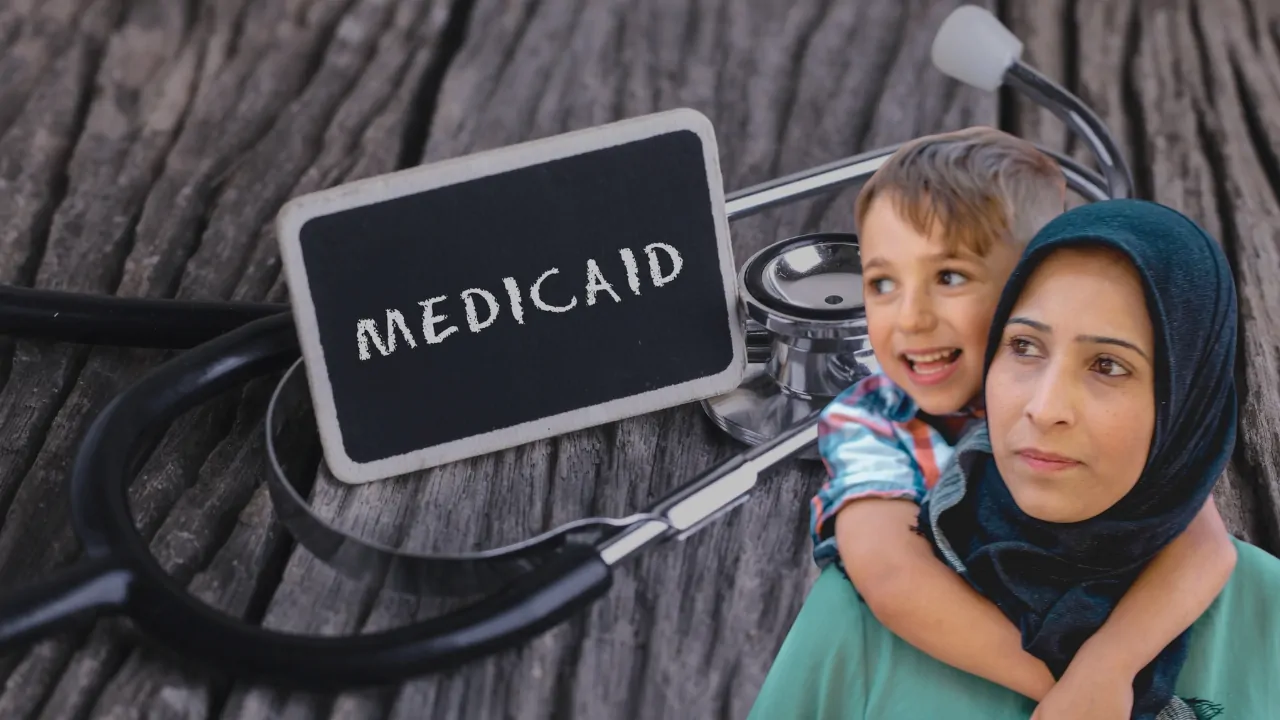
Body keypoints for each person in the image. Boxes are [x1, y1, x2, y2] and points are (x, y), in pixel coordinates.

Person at [748, 199, 1280, 719]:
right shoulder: (853, 621)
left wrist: (1107, 671)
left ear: (1190, 405)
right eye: (1024, 346)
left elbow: (1204, 540)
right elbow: (886, 570)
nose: (1045, 408)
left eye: (1107, 365)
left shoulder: (1266, 609)